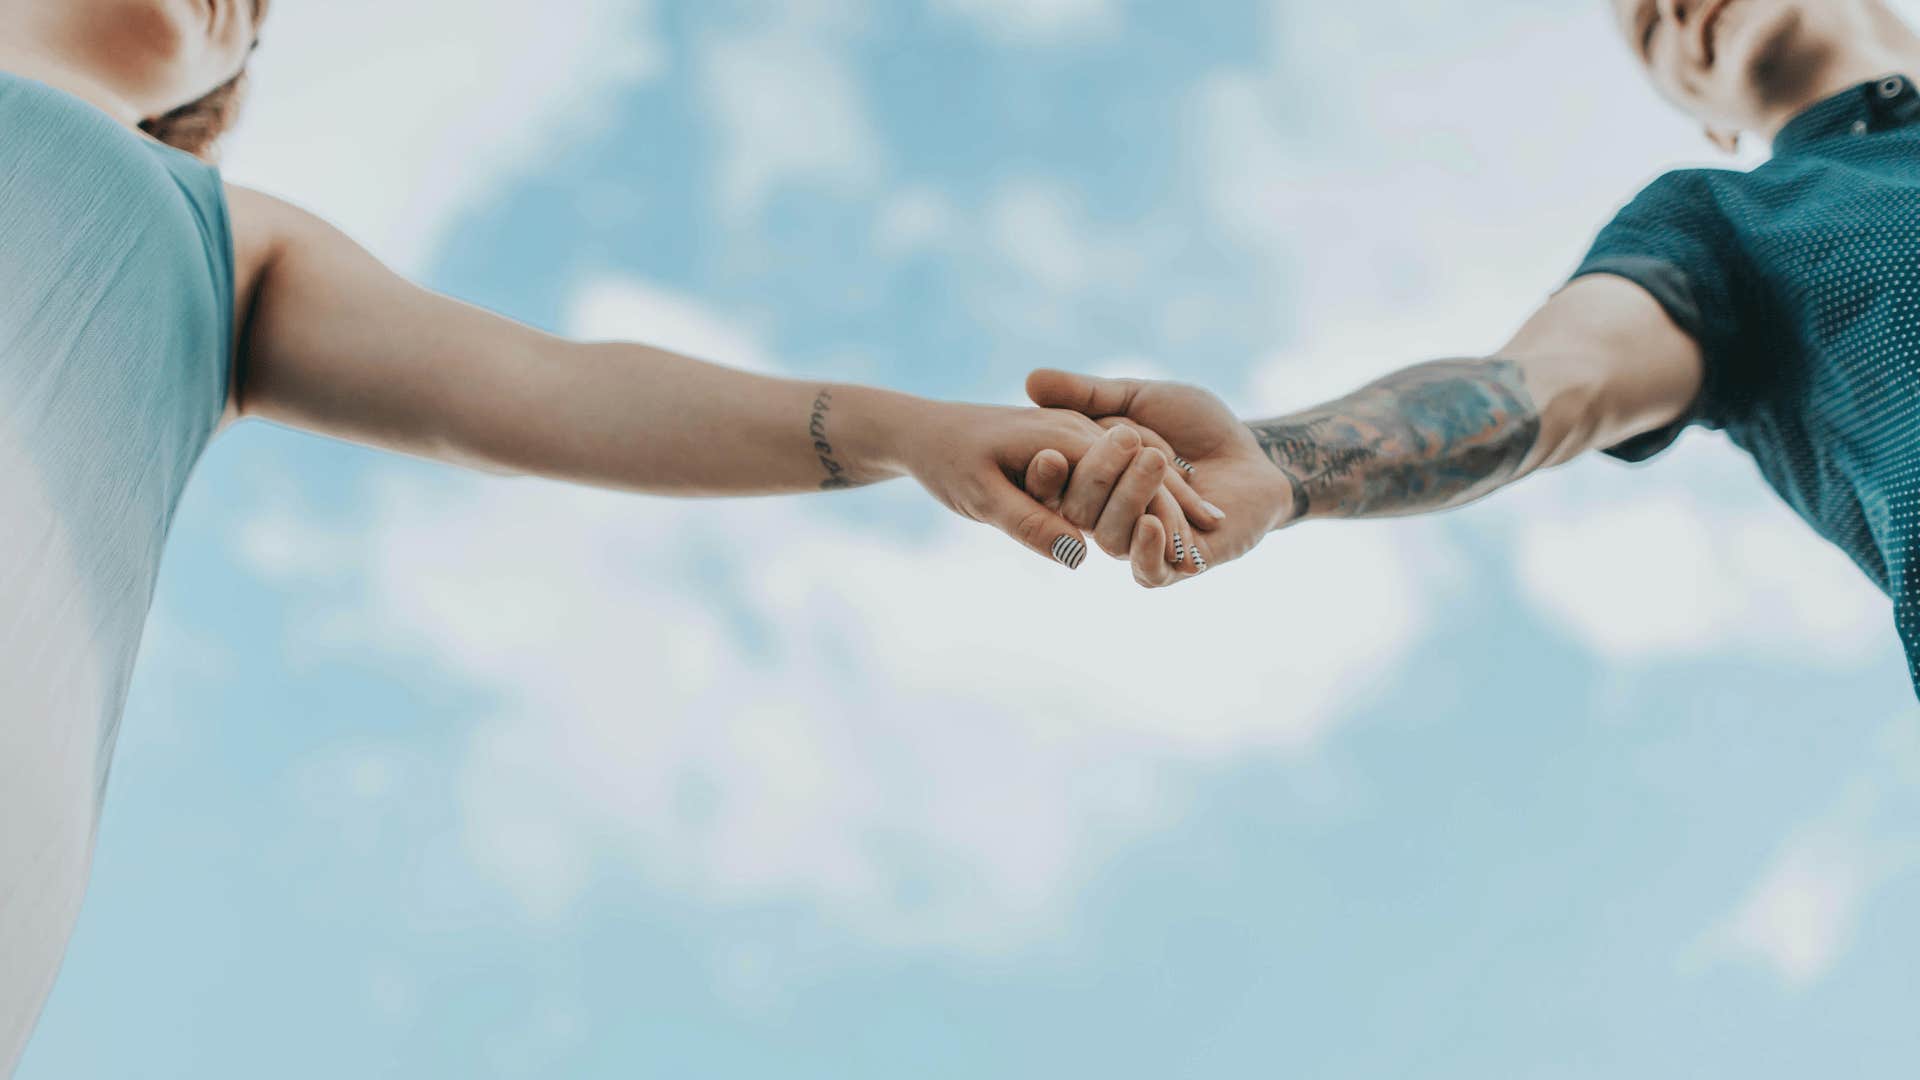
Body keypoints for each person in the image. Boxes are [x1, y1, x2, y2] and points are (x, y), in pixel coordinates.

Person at [0, 1, 1222, 1070]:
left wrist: (910, 432)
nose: (250, 5)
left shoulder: (228, 243)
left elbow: (558, 385)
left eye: (260, 26)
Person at [1032, 0, 1920, 701]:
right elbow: (1539, 386)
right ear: (1708, 125)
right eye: (1652, 31)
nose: (1674, 5)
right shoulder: (1723, 229)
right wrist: (1282, 462)